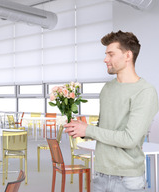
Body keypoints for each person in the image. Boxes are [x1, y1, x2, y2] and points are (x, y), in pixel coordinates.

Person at [65, 30, 158, 192]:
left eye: (111, 54)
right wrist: (81, 130)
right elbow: (104, 128)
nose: (105, 59)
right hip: (100, 174)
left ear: (127, 55)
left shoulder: (145, 92)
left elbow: (130, 139)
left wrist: (89, 129)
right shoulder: (107, 89)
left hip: (127, 179)